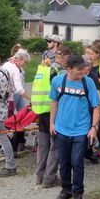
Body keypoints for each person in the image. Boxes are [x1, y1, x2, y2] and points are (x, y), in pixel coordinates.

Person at [50, 54, 100, 199]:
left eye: (84, 69)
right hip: (62, 129)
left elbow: (97, 107)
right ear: (69, 68)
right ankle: (66, 189)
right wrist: (52, 123)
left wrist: (94, 127)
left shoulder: (88, 83)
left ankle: (78, 193)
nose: (83, 73)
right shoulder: (58, 81)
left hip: (81, 130)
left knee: (77, 162)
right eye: (79, 70)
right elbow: (54, 102)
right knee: (64, 162)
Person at [33, 45, 71, 187]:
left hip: (41, 110)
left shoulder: (43, 69)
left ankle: (39, 175)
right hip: (54, 112)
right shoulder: (60, 72)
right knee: (55, 146)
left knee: (43, 146)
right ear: (66, 57)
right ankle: (49, 179)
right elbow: (63, 95)